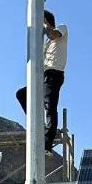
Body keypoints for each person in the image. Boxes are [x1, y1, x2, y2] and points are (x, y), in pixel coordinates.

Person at [16, 9, 67, 153]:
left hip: (54, 74)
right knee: (22, 94)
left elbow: (52, 35)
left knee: (50, 106)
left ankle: (47, 145)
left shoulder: (61, 28)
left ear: (46, 21)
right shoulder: (45, 44)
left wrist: (44, 25)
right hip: (42, 77)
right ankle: (38, 124)